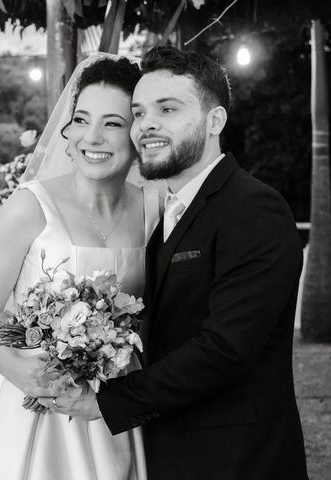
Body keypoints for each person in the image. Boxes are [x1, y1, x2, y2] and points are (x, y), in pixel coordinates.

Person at [38, 46, 309, 480]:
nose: (147, 126)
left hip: (237, 458)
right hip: (169, 451)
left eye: (168, 109)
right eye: (140, 112)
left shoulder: (253, 208)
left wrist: (110, 400)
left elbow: (226, 348)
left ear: (215, 121)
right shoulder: (165, 213)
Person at [0, 55, 160, 480]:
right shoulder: (29, 207)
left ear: (137, 133)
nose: (92, 137)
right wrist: (24, 374)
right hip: (33, 404)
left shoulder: (155, 210)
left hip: (119, 405)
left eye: (113, 123)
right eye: (81, 120)